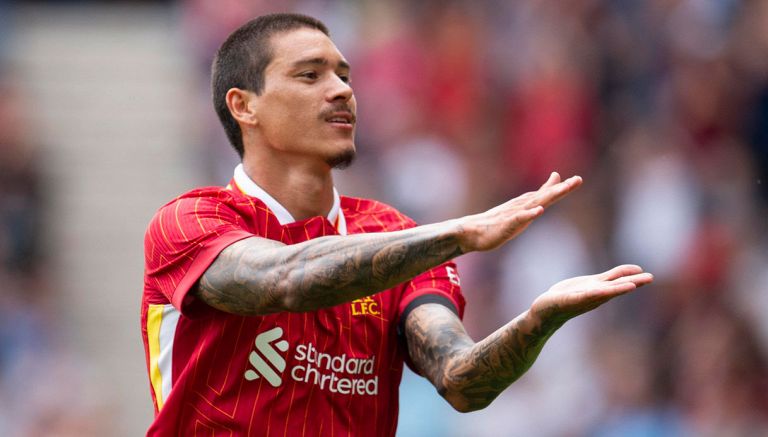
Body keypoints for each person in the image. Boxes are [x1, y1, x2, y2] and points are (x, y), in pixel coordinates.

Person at [140, 12, 653, 436]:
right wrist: (458, 234)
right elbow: (285, 278)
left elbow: (462, 380)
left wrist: (539, 320)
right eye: (310, 75)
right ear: (244, 105)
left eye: (344, 75)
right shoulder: (189, 222)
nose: (341, 90)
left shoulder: (394, 233)